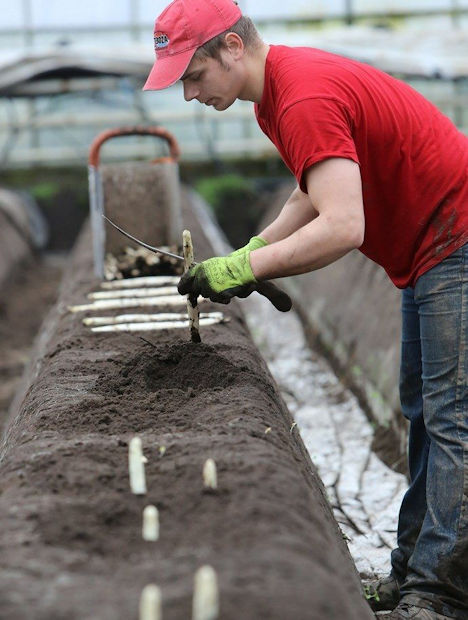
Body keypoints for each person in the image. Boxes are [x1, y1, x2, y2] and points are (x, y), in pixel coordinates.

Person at [143, 1, 468, 618]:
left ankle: (441, 595)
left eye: (192, 75)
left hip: (455, 237)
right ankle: (416, 571)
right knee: (425, 407)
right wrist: (254, 248)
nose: (188, 94)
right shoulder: (280, 94)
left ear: (232, 49)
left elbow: (344, 224)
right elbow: (311, 191)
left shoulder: (301, 97)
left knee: (453, 418)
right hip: (434, 245)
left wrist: (247, 268)